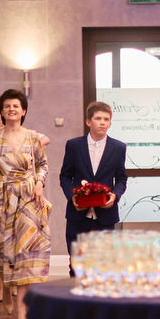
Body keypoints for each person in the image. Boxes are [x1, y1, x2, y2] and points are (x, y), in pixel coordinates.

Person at [0, 88, 51, 319]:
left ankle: (23, 307)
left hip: (29, 199)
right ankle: (7, 290)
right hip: (1, 200)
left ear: (23, 111)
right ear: (1, 111)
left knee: (27, 252)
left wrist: (39, 184)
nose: (11, 109)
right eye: (7, 106)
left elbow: (42, 165)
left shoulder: (32, 137)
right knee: (5, 252)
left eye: (15, 106)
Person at [59, 101, 128, 275]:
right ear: (88, 121)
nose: (102, 122)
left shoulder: (119, 148)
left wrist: (115, 195)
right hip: (78, 215)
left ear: (110, 123)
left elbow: (121, 178)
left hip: (105, 215)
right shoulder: (74, 145)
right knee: (77, 265)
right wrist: (72, 197)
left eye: (106, 119)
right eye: (98, 118)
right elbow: (65, 176)